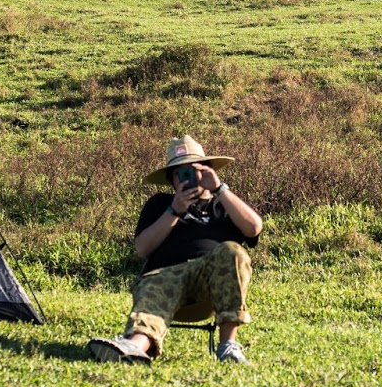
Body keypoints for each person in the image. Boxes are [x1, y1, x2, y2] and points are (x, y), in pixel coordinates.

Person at [88, 135, 264, 364]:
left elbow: (253, 228)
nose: (189, 178)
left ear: (208, 170)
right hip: (166, 276)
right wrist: (175, 210)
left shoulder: (224, 204)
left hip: (210, 285)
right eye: (181, 173)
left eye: (195, 170)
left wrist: (220, 188)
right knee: (155, 281)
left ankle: (228, 347)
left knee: (233, 251)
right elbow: (142, 249)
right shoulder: (160, 204)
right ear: (172, 180)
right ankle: (133, 347)